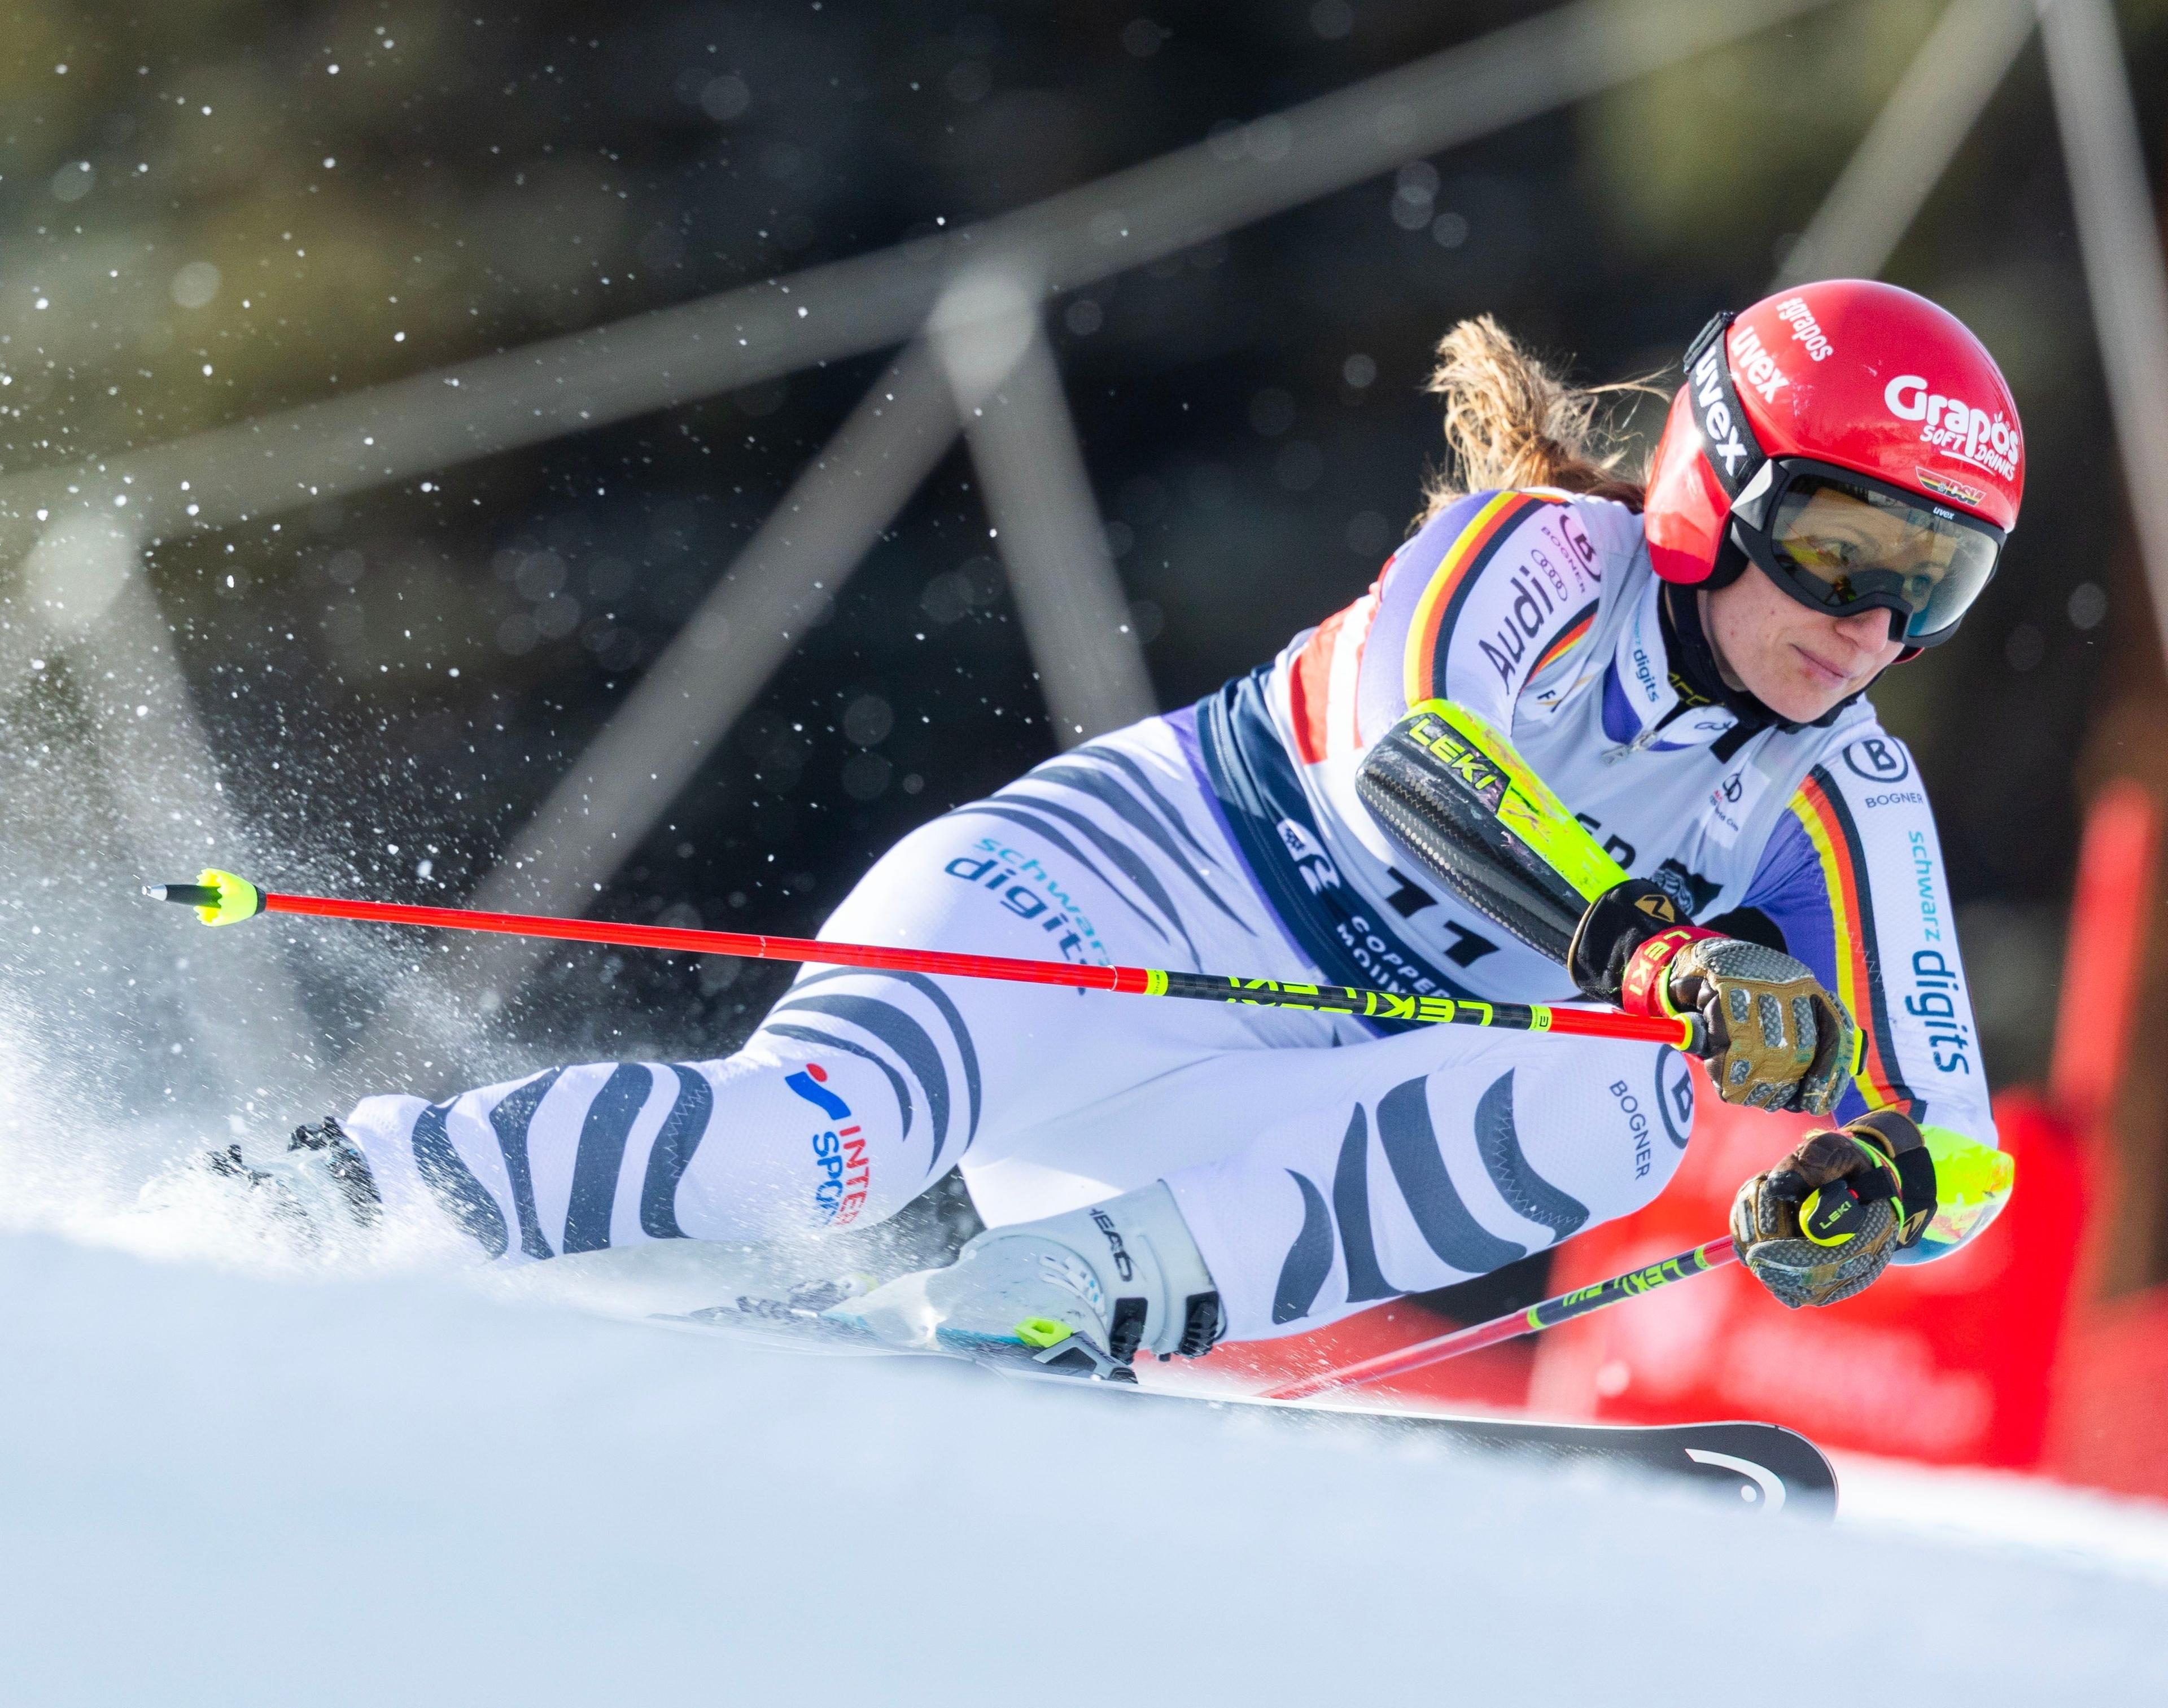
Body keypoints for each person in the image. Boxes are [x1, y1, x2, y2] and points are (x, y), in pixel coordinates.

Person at [226, 278, 2020, 1374]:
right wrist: (1663, 947)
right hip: (1103, 907)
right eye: (1846, 546)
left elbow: (1961, 1150)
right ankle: (322, 1194)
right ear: (1720, 483)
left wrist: (1872, 1188)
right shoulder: (1541, 557)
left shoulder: (1846, 793)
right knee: (784, 1162)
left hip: (1244, 1116)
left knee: (1636, 1097)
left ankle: (1062, 1301)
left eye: (1936, 583)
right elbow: (1418, 767)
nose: (1872, 624)